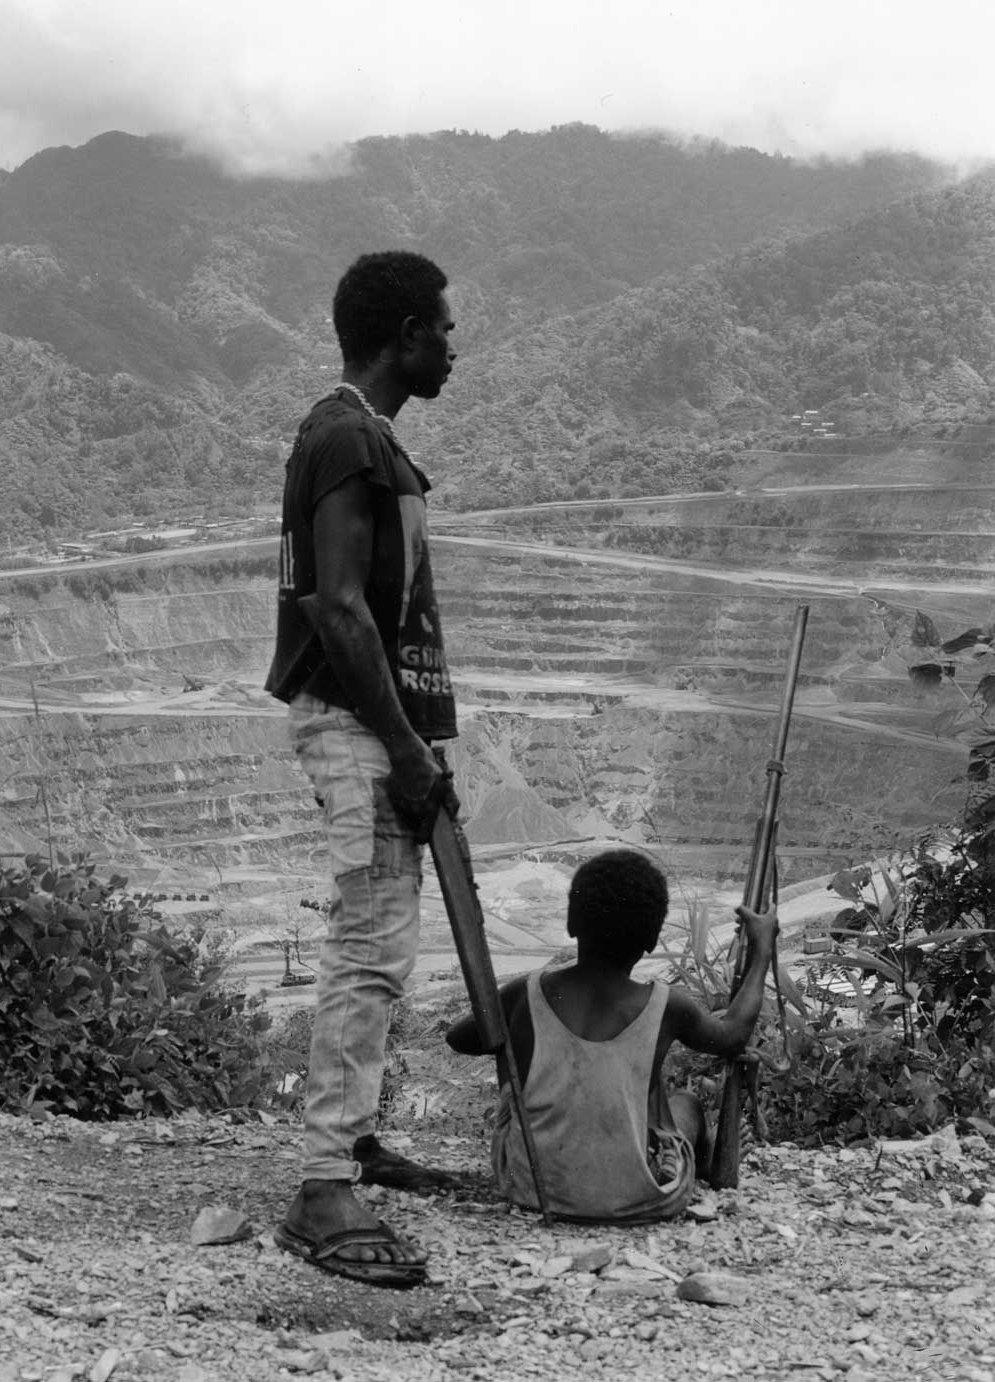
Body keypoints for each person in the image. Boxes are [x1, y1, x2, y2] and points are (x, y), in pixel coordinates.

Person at [263, 250, 461, 1288]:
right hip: (357, 725)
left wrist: (420, 739)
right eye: (442, 326)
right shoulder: (346, 436)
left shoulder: (361, 438)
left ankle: (354, 1143)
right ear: (404, 336)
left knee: (385, 938)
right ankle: (322, 1181)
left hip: (378, 725)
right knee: (371, 942)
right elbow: (337, 608)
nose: (453, 345)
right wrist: (400, 741)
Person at [446, 849, 780, 1221]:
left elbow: (460, 1039)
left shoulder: (526, 993)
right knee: (685, 1104)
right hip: (639, 1199)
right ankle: (696, 1159)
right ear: (652, 938)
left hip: (530, 1190)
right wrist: (762, 949)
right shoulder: (666, 1006)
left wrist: (515, 1026)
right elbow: (733, 1037)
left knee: (520, 1062)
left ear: (572, 923)